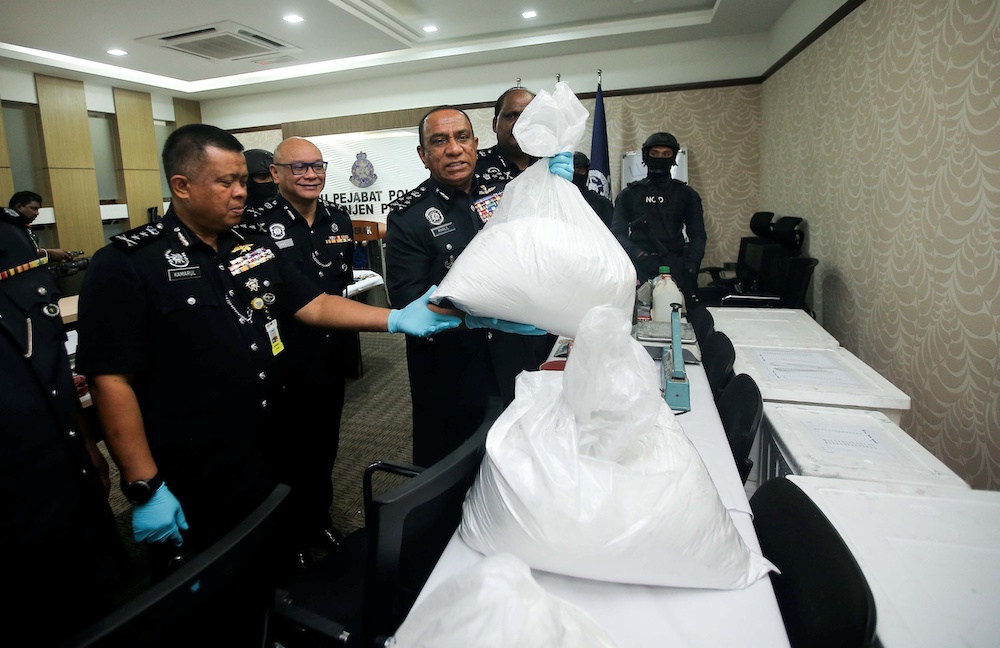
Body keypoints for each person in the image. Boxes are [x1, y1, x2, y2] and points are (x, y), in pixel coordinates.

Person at [75, 124, 460, 639]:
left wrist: (393, 318)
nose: (241, 192)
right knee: (200, 590)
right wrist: (144, 486)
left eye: (242, 180)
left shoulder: (250, 246)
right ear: (182, 186)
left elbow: (314, 304)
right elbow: (110, 380)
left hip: (264, 442)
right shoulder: (128, 263)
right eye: (226, 182)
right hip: (191, 459)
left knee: (261, 564)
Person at [385, 106, 568, 468]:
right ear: (423, 155)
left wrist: (559, 191)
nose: (454, 149)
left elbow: (546, 250)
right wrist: (474, 315)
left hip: (519, 351)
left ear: (475, 143)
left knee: (527, 453)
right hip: (454, 364)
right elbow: (408, 299)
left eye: (462, 137)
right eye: (439, 141)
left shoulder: (512, 190)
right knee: (455, 464)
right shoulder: (408, 216)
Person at [1, 204, 130, 644]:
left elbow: (48, 352)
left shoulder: (10, 236)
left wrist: (88, 444)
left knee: (94, 602)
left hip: (61, 464)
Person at [240, 136, 354, 570]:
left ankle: (319, 518)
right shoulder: (252, 226)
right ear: (275, 173)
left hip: (331, 352)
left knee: (324, 442)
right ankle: (291, 535)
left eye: (317, 166)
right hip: (282, 358)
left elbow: (339, 287)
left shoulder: (338, 218)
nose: (310, 174)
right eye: (298, 167)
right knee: (286, 451)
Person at [611, 132, 706, 302]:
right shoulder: (629, 195)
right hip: (638, 267)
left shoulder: (686, 195)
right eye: (655, 153)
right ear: (645, 156)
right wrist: (638, 255)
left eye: (666, 154)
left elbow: (698, 235)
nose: (660, 158)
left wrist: (691, 265)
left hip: (676, 267)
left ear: (674, 157)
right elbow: (617, 233)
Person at [476, 86, 538, 186]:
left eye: (527, 117)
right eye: (511, 116)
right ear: (495, 124)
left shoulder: (550, 163)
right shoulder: (474, 164)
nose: (519, 124)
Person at [7, 190, 73, 261]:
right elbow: (17, 253)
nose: (37, 213)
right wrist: (47, 252)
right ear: (19, 207)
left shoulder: (25, 228)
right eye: (34, 209)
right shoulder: (6, 229)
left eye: (38, 209)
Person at [572, 151, 614, 228]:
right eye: (573, 171)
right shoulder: (556, 200)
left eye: (581, 171)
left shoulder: (601, 203)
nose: (576, 174)